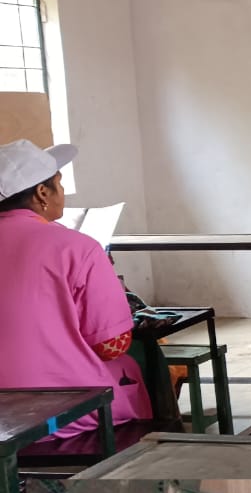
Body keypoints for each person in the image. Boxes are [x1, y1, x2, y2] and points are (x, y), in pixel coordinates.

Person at [0, 140, 152, 445]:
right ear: (42, 193)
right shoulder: (77, 247)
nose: (62, 191)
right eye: (58, 183)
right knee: (141, 360)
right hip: (56, 410)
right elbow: (111, 345)